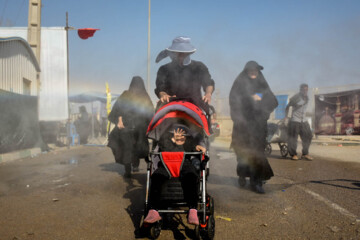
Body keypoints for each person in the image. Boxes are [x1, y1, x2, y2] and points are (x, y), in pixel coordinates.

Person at [229, 61, 278, 194]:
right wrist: (249, 99)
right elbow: (233, 100)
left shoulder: (262, 84)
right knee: (243, 153)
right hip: (243, 126)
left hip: (258, 126)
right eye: (251, 70)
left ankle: (256, 182)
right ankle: (242, 175)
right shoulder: (239, 83)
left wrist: (261, 98)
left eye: (256, 70)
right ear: (246, 70)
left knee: (257, 153)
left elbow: (273, 101)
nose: (253, 72)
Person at [144, 124, 206, 225]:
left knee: (191, 176)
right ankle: (153, 210)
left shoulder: (189, 143)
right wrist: (173, 141)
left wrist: (200, 147)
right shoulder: (165, 142)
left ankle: (193, 210)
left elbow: (194, 148)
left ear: (187, 137)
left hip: (184, 164)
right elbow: (162, 148)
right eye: (176, 135)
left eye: (183, 136)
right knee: (156, 177)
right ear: (170, 136)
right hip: (165, 164)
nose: (180, 137)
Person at [108, 76, 154, 177]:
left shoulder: (134, 95)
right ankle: (132, 168)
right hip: (132, 128)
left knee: (131, 148)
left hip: (134, 127)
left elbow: (117, 109)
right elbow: (118, 109)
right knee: (132, 147)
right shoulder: (138, 95)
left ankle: (131, 168)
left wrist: (119, 120)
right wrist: (119, 120)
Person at [154, 36, 215, 113]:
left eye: (183, 53)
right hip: (170, 103)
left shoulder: (199, 67)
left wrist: (208, 94)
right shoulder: (164, 69)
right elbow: (160, 87)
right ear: (173, 52)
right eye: (179, 53)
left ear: (189, 53)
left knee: (207, 115)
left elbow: (208, 83)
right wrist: (163, 94)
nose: (181, 55)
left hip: (195, 103)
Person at [285, 83, 313, 160]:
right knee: (293, 138)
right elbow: (287, 107)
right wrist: (286, 117)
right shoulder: (296, 98)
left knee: (309, 136)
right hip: (295, 120)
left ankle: (305, 153)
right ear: (300, 90)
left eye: (306, 90)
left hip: (303, 120)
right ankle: (293, 154)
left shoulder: (307, 98)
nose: (305, 91)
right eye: (303, 90)